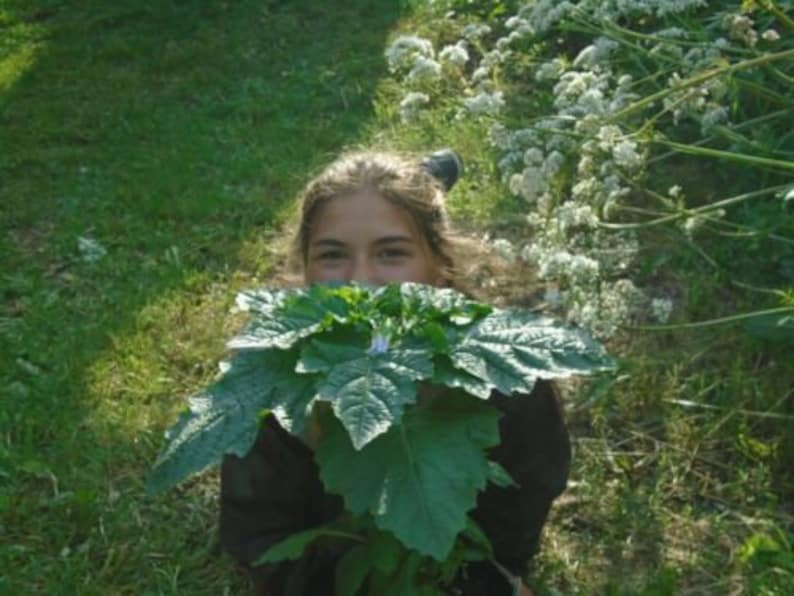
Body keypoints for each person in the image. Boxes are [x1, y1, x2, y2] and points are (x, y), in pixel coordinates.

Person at [219, 150, 571, 595]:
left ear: (440, 268)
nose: (361, 279)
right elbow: (259, 540)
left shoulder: (506, 376)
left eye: (392, 253)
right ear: (304, 271)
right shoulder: (274, 383)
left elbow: (516, 519)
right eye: (332, 255)